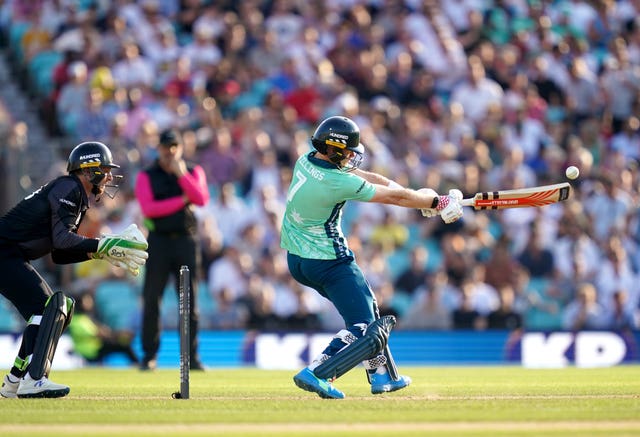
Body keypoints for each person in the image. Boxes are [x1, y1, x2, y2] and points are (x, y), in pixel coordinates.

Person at [281, 116, 464, 399]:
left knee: (367, 311)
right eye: (350, 151)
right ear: (336, 150)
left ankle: (383, 376)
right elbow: (394, 200)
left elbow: (380, 183)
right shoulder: (336, 182)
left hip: (297, 260)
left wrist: (418, 196)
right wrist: (436, 203)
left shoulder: (306, 160)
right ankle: (318, 371)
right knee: (365, 327)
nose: (354, 156)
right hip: (329, 260)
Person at [0, 141, 148, 398]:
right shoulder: (70, 188)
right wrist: (104, 244)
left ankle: (14, 381)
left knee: (55, 310)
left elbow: (59, 254)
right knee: (51, 307)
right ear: (89, 169)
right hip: (4, 253)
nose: (109, 175)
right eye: (104, 168)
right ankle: (34, 379)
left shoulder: (71, 191)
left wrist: (100, 252)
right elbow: (62, 241)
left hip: (9, 255)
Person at [135, 129, 210, 371]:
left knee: (189, 301)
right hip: (159, 241)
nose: (170, 152)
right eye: (166, 147)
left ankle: (191, 357)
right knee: (151, 300)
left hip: (186, 241)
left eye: (174, 146)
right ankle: (149, 356)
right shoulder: (147, 175)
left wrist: (182, 176)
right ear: (158, 149)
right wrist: (181, 200)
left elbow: (201, 199)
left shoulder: (192, 171)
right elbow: (149, 209)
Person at [68, 292, 139, 365]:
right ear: (80, 303)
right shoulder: (79, 320)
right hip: (91, 351)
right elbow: (100, 335)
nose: (91, 303)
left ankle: (137, 363)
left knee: (121, 345)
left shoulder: (83, 318)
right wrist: (118, 334)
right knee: (124, 346)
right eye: (87, 301)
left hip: (92, 349)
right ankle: (137, 364)